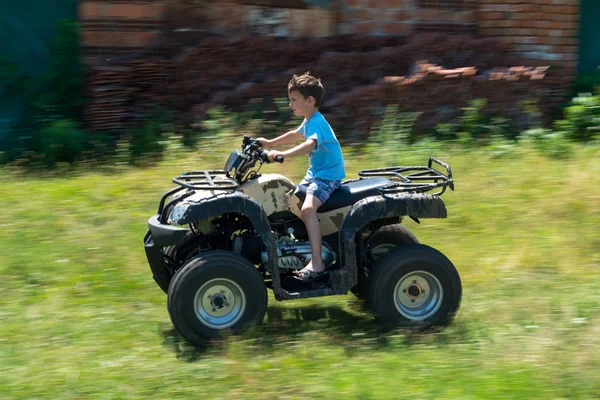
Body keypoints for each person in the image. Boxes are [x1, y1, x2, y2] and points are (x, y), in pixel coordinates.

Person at [257, 72, 346, 281]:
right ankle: (301, 245)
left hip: (327, 177)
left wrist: (284, 154)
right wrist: (269, 143)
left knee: (307, 209)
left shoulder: (317, 122)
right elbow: (295, 135)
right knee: (287, 200)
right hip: (315, 174)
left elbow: (309, 144)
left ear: (310, 100)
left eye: (293, 100)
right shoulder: (309, 121)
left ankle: (317, 262)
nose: (290, 105)